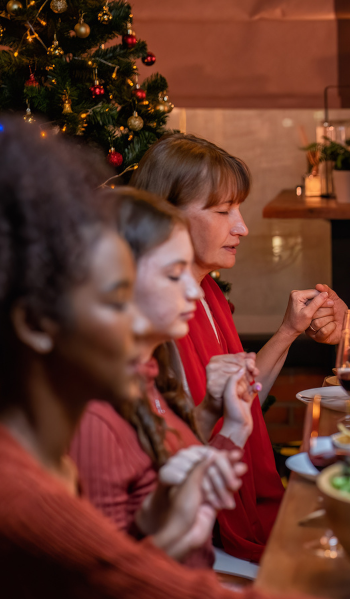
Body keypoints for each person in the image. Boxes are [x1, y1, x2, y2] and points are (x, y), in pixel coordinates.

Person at [0, 120, 350, 599]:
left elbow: (123, 571)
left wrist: (168, 521)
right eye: (119, 296)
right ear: (37, 324)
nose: (158, 315)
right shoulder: (11, 489)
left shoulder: (48, 436)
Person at [130, 133, 348, 563]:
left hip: (224, 502)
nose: (242, 226)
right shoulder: (153, 317)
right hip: (201, 533)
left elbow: (242, 400)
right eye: (223, 210)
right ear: (168, 217)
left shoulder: (208, 292)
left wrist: (287, 331)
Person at [69, 188, 259, 569]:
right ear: (115, 286)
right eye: (175, 274)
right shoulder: (94, 418)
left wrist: (233, 429)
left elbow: (187, 501)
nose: (194, 291)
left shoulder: (146, 376)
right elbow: (110, 582)